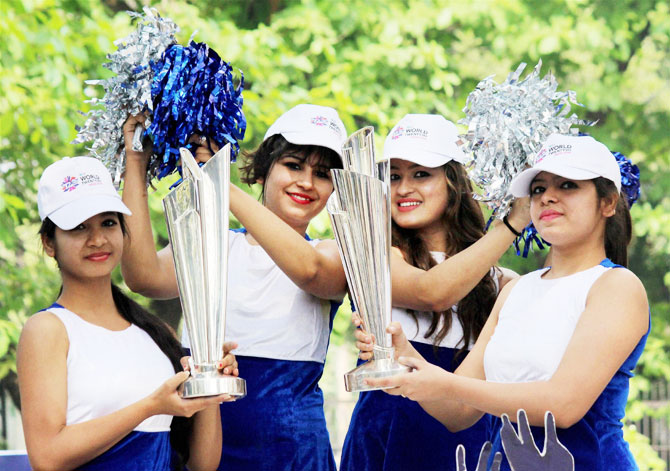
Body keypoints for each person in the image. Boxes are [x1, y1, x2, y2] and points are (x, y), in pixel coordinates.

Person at [365, 134, 649, 471]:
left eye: (568, 185)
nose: (548, 198)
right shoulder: (516, 289)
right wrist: (406, 358)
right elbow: (458, 413)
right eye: (539, 189)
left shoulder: (616, 286)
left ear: (608, 203)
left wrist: (444, 382)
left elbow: (562, 405)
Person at [120, 104, 349, 471]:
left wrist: (214, 180)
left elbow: (309, 272)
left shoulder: (330, 251)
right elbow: (142, 276)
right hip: (201, 445)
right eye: (293, 165)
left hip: (293, 456)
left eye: (322, 174)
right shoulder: (213, 243)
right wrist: (136, 159)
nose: (306, 182)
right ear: (262, 171)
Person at [17, 156, 238, 471]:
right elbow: (47, 457)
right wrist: (149, 407)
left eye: (108, 222)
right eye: (79, 227)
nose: (97, 240)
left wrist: (210, 380)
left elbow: (203, 463)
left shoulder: (156, 333)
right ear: (49, 243)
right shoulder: (48, 329)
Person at [340, 114, 530, 471]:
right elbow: (433, 292)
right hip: (387, 442)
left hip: (467, 443)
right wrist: (513, 223)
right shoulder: (376, 254)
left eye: (421, 174)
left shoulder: (501, 282)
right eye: (393, 175)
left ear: (454, 182)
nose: (403, 188)